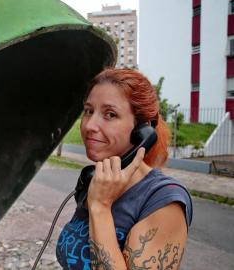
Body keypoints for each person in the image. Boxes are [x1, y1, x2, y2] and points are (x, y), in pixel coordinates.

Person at [56, 68, 193, 270]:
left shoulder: (163, 201)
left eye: (110, 114)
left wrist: (101, 207)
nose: (90, 125)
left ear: (142, 131)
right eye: (88, 111)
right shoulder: (97, 180)